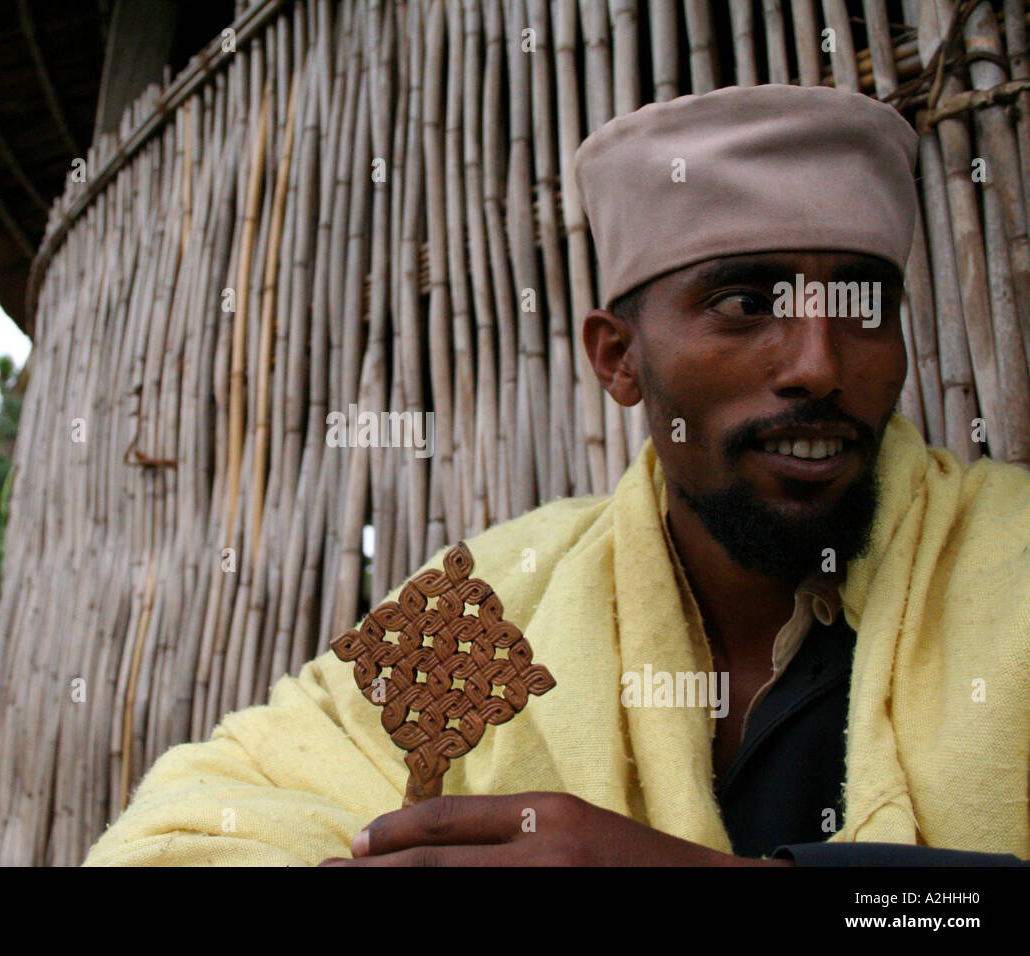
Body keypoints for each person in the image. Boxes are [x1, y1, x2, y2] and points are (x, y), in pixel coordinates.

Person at [84, 84, 1030, 866]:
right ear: (618, 359)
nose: (820, 366)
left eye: (865, 308)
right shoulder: (498, 602)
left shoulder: (1014, 567)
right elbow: (199, 818)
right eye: (748, 300)